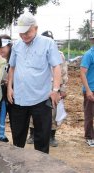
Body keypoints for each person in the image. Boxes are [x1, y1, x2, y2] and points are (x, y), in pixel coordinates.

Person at [7, 12, 62, 154]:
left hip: (41, 99)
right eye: (21, 33)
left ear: (36, 29)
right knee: (18, 136)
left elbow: (56, 66)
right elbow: (12, 67)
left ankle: (41, 164)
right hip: (19, 98)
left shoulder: (48, 43)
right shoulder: (17, 45)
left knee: (42, 137)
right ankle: (18, 163)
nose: (24, 36)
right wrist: (9, 88)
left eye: (28, 32)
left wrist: (55, 90)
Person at [26, 30, 68, 147]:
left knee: (53, 112)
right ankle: (32, 134)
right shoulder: (34, 52)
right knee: (33, 110)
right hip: (37, 87)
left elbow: (63, 72)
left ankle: (51, 136)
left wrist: (62, 89)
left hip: (53, 87)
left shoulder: (59, 55)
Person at [0, 35, 13, 142]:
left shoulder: (14, 59)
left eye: (3, 47)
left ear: (9, 46)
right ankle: (1, 135)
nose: (0, 49)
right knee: (1, 113)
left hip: (13, 91)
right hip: (0, 92)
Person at [80, 36, 94, 147]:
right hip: (91, 90)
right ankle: (89, 137)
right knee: (89, 114)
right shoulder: (89, 54)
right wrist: (88, 91)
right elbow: (82, 73)